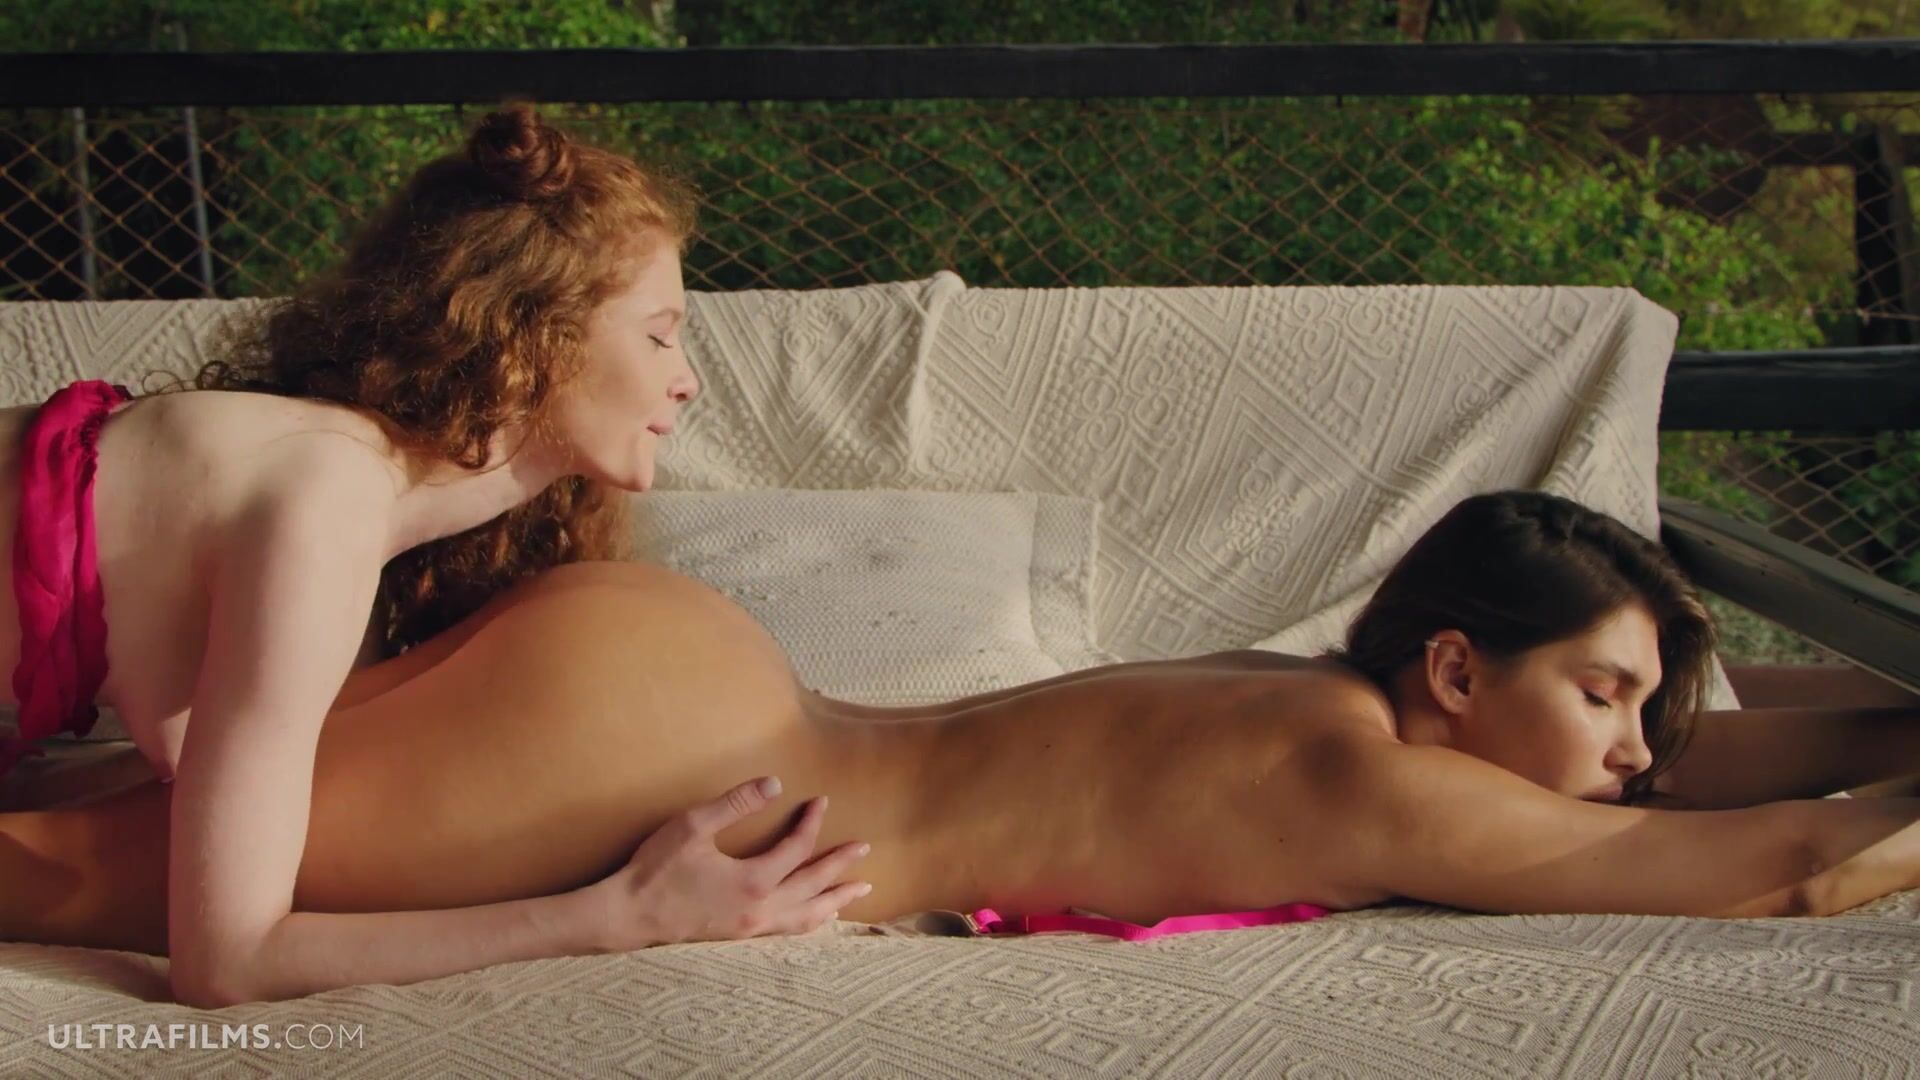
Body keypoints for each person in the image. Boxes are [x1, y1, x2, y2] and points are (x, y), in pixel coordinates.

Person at [6, 490, 1916, 1004]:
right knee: (72, 875)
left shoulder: (1310, 692)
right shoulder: (1377, 783)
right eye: (1605, 695)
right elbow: (1790, 871)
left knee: (95, 806)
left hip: (681, 683)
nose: (1637, 751)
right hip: (673, 752)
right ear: (1456, 671)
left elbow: (1705, 765)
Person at [0, 105, 868, 1008]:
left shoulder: (328, 487)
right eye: (658, 333)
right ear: (533, 339)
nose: (686, 378)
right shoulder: (321, 511)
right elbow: (228, 965)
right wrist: (620, 915)